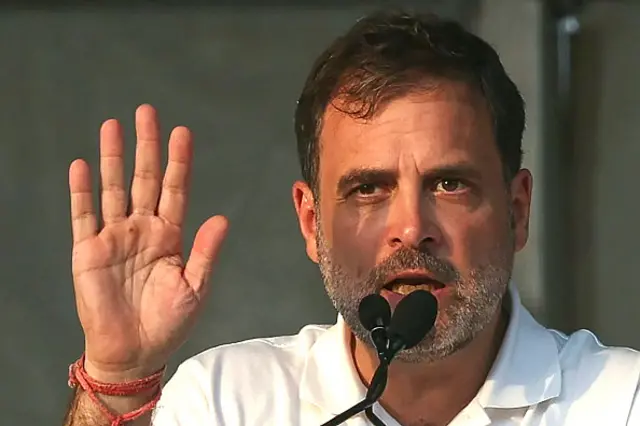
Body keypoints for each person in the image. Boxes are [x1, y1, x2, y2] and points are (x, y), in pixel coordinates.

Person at [62, 9, 640, 426]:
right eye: (368, 189)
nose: (412, 229)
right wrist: (117, 377)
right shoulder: (225, 401)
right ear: (312, 224)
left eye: (448, 182)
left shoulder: (620, 401)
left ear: (516, 212)